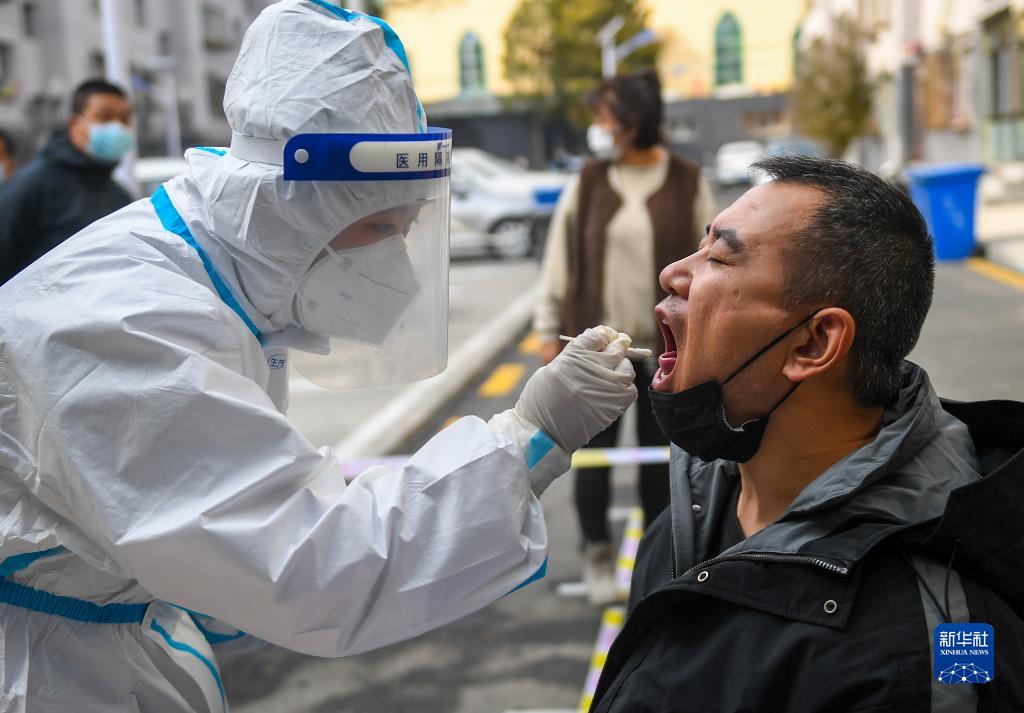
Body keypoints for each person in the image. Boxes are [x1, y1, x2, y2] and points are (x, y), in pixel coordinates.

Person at [0, 3, 638, 711]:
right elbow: (313, 564)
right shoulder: (123, 325)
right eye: (379, 225)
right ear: (292, 205)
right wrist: (528, 435)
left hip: (98, 643)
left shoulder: (218, 281)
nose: (396, 261)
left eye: (409, 225)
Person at [588, 156, 1024, 712]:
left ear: (814, 344)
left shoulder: (934, 643)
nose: (674, 273)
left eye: (719, 257)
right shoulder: (688, 517)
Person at [534, 70, 715, 606]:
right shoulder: (588, 181)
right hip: (600, 347)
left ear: (632, 121)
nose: (598, 126)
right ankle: (595, 553)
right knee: (593, 456)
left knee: (662, 464)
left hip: (667, 349)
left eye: (605, 115)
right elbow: (559, 260)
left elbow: (713, 263)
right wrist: (548, 329)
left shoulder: (687, 181)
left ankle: (657, 564)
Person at [0, 79, 134, 284]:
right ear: (75, 124)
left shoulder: (120, 196)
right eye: (105, 117)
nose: (117, 127)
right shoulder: (33, 184)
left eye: (124, 119)